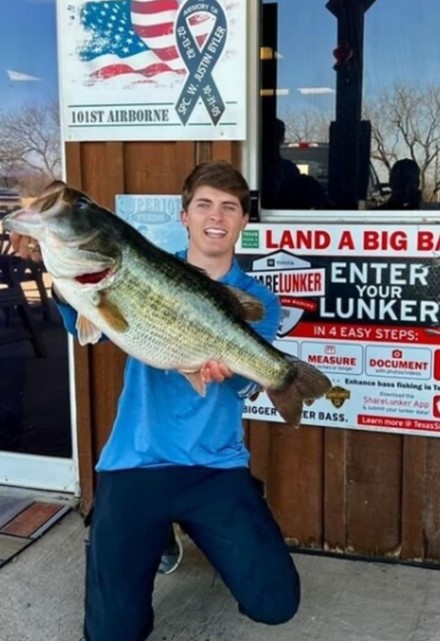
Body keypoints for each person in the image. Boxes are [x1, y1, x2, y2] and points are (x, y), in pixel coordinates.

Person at [10, 161, 300, 641]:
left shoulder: (257, 300)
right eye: (204, 204)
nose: (217, 216)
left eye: (230, 207)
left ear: (244, 222)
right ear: (184, 215)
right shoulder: (140, 264)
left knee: (276, 602)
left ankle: (213, 513)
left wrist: (234, 374)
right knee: (111, 633)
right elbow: (86, 330)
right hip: (135, 461)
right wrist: (58, 277)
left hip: (215, 465)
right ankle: (151, 531)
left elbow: (248, 385)